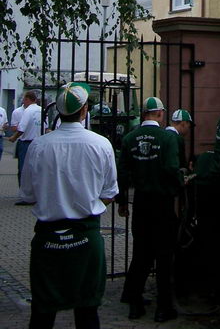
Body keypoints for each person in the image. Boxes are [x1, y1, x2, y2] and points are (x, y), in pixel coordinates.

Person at [19, 81, 118, 329]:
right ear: (84, 110)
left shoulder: (40, 146)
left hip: (48, 237)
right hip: (86, 235)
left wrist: (54, 197)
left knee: (43, 312)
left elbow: (28, 195)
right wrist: (86, 201)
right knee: (87, 311)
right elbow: (109, 192)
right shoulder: (101, 144)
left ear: (58, 111)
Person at [117, 96, 182, 322]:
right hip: (162, 203)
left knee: (140, 255)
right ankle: (163, 308)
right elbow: (172, 168)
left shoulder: (129, 138)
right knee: (164, 257)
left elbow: (123, 173)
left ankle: (134, 304)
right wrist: (177, 188)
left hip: (141, 202)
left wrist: (123, 201)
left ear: (143, 113)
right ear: (160, 114)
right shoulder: (167, 138)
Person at [9, 91, 45, 199]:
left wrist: (13, 137)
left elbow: (21, 128)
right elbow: (45, 126)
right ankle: (37, 193)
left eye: (24, 99)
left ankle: (24, 194)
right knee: (37, 169)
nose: (23, 102)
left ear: (27, 99)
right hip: (39, 142)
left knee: (23, 170)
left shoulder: (28, 111)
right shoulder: (41, 110)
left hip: (26, 143)